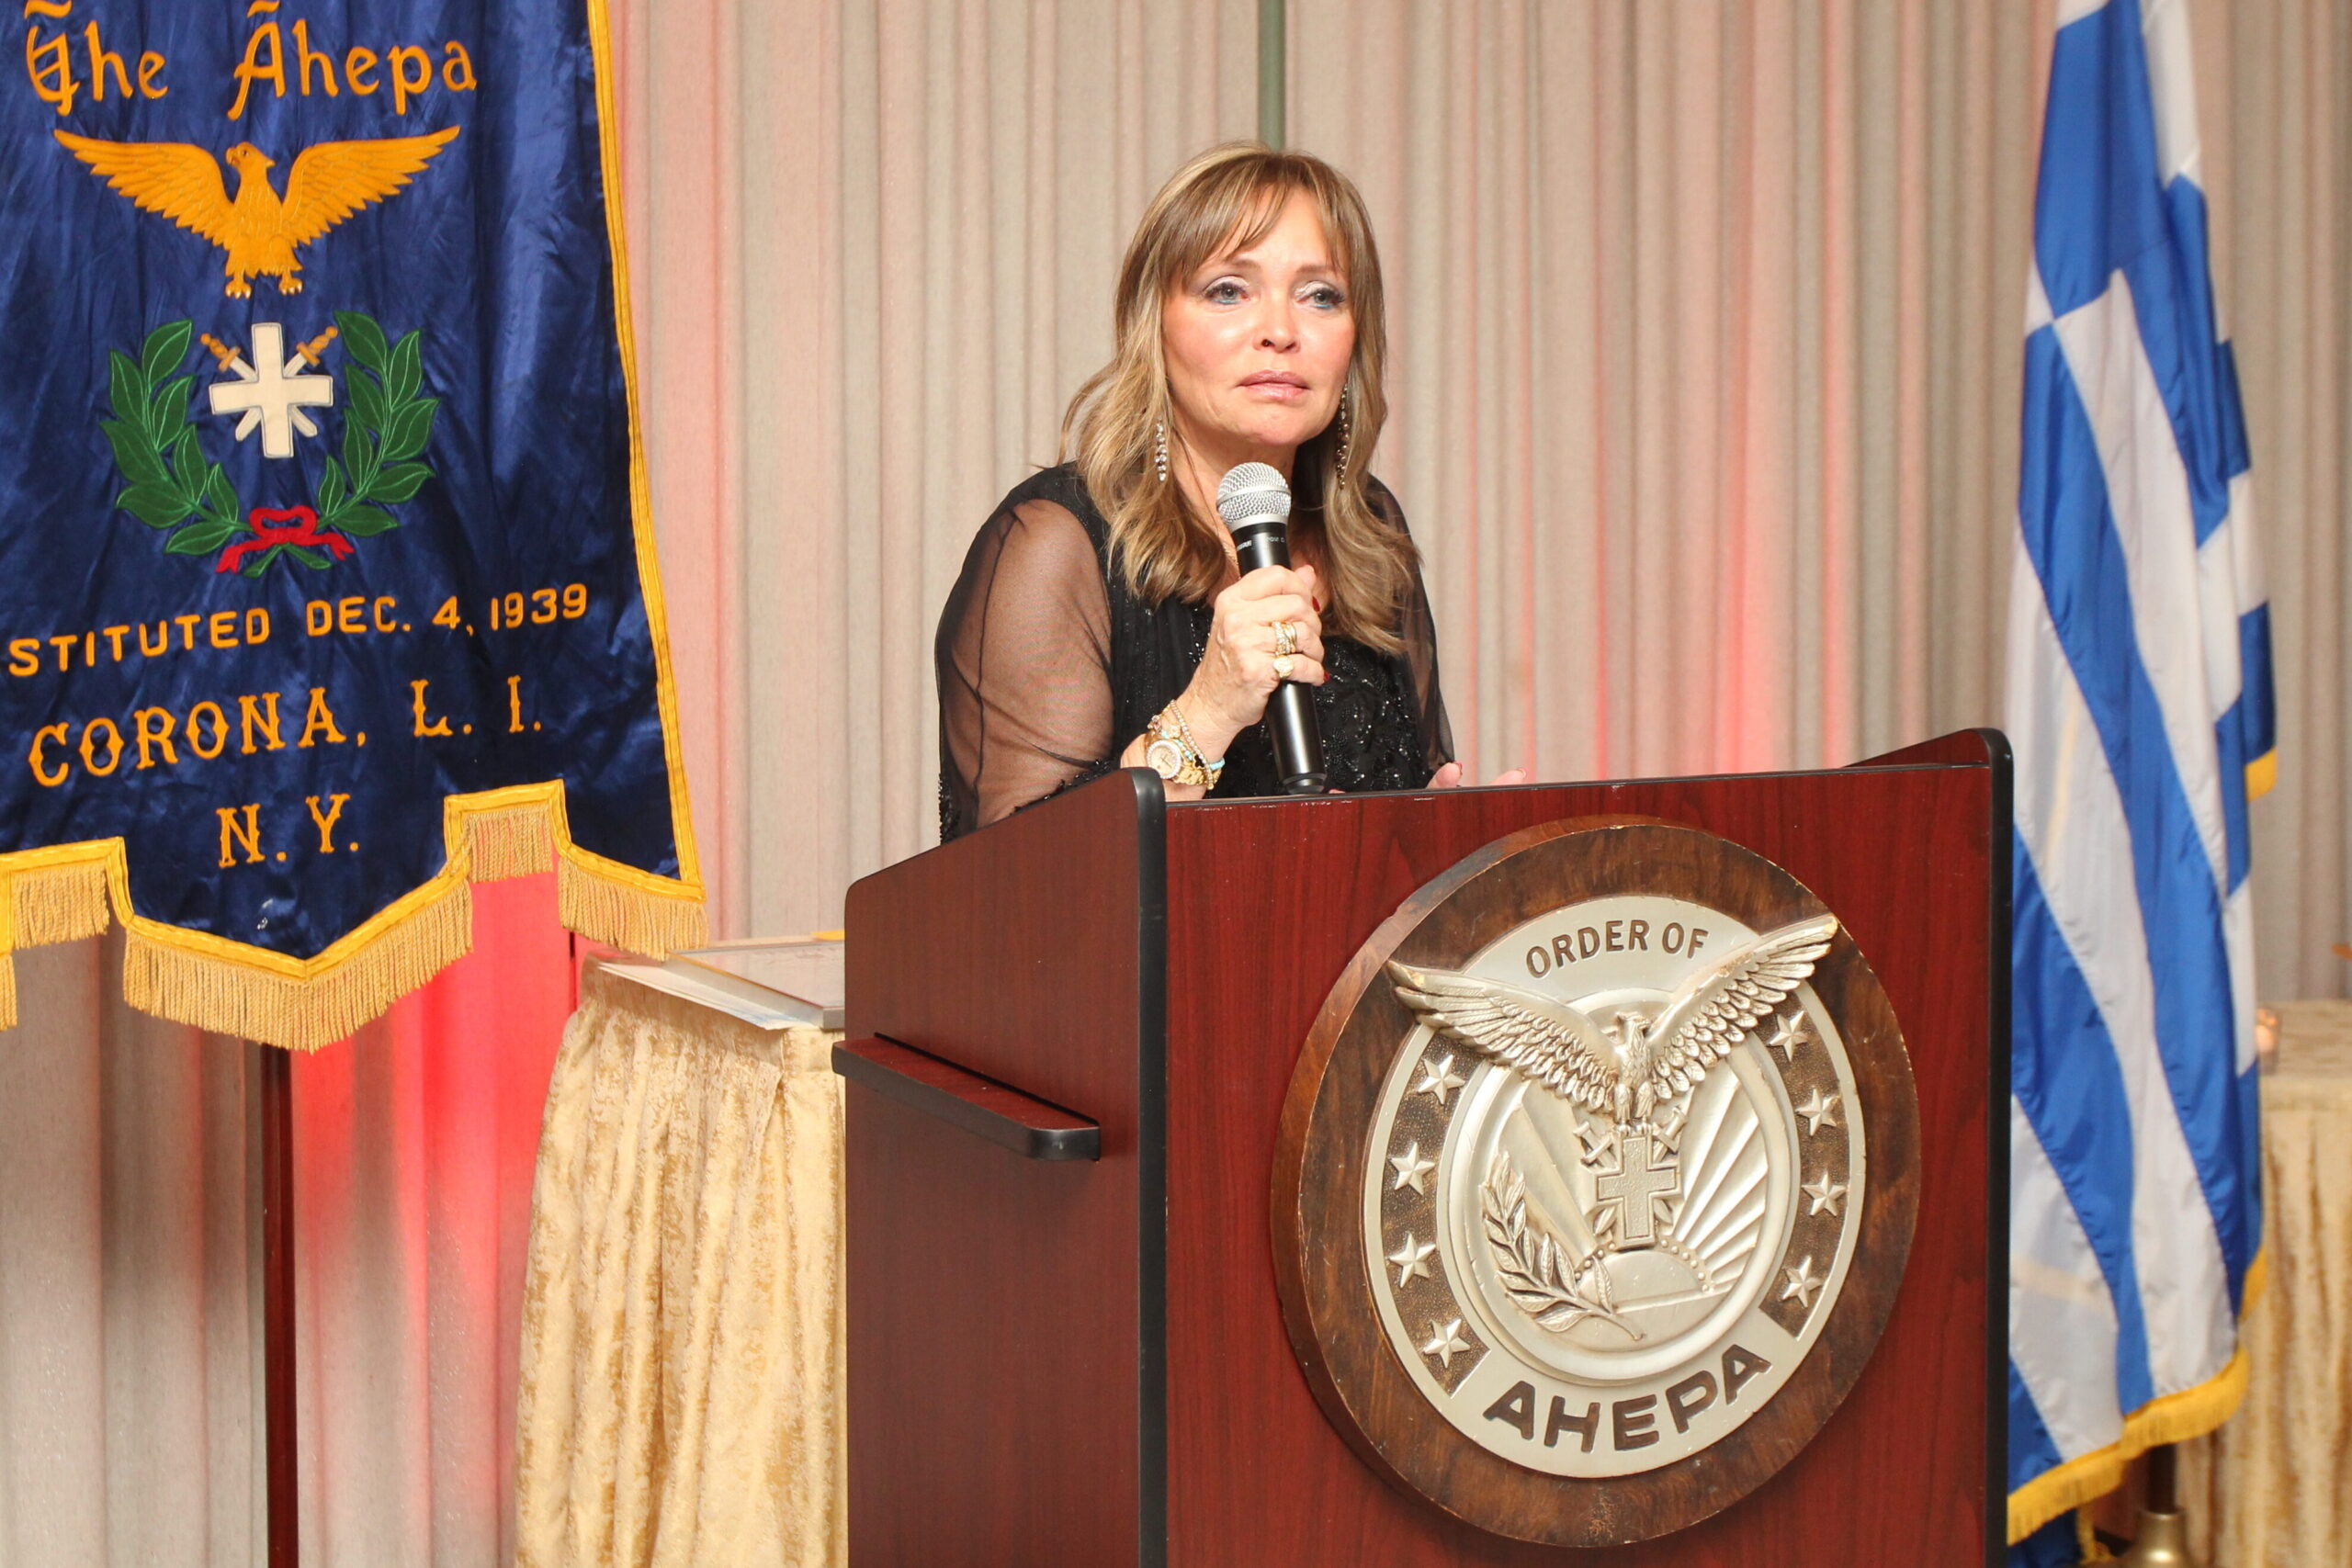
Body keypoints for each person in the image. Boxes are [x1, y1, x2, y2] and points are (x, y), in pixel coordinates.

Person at [936, 141, 1518, 840]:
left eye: (1320, 296)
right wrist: (1207, 713)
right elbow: (1005, 895)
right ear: (1154, 325)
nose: (1280, 331)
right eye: (1229, 291)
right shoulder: (1053, 546)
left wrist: (1438, 838)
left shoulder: (1368, 531)